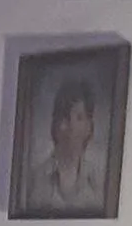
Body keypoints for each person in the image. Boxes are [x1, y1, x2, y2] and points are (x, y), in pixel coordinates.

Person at [29, 77, 108, 212]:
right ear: (55, 125)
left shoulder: (98, 181)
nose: (72, 126)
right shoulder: (35, 178)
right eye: (65, 118)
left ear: (89, 127)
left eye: (79, 118)